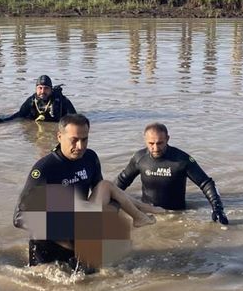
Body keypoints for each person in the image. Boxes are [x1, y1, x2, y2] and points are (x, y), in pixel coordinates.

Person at [14, 114, 161, 267]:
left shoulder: (90, 158)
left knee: (109, 193)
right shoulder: (44, 168)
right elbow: (18, 217)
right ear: (59, 137)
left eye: (84, 140)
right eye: (74, 140)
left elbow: (107, 195)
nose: (80, 146)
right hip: (50, 240)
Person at [115, 123, 229, 224]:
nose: (155, 148)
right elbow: (122, 181)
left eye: (160, 143)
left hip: (176, 216)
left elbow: (206, 183)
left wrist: (218, 208)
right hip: (148, 212)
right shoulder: (139, 158)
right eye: (151, 143)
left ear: (167, 139)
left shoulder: (182, 159)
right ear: (145, 140)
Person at [3, 75, 76, 122]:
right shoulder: (31, 100)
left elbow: (75, 117)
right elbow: (20, 115)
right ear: (36, 89)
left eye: (46, 88)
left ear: (51, 89)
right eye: (40, 88)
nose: (43, 91)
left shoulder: (61, 100)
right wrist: (4, 121)